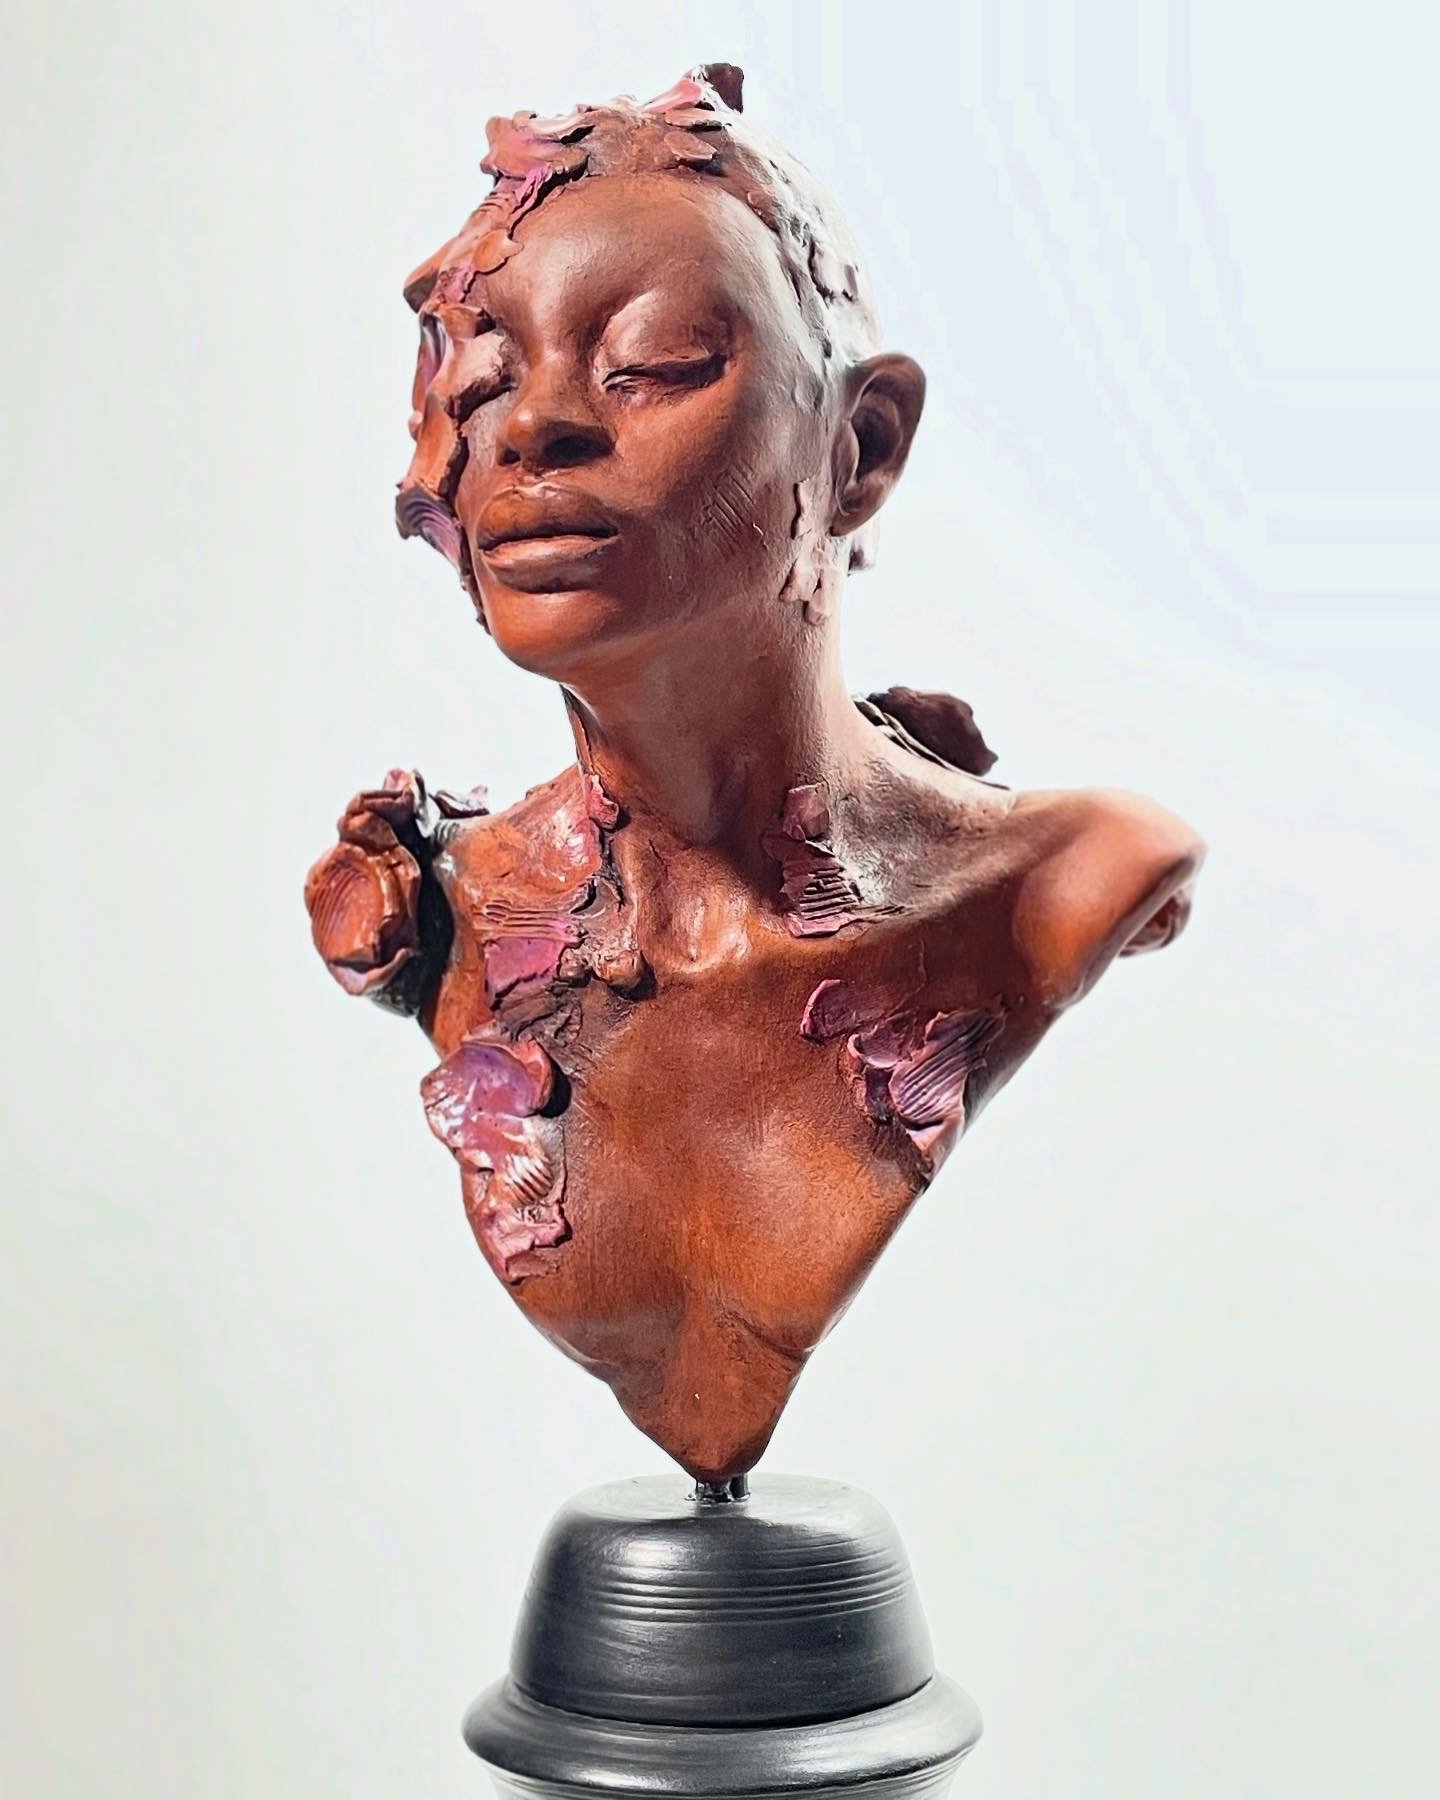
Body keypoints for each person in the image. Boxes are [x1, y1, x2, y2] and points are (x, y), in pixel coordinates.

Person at [304, 65, 1205, 1484]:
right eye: (481, 381)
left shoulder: (1058, 884)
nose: (531, 428)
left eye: (652, 362)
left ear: (862, 444)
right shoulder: (445, 914)